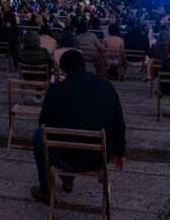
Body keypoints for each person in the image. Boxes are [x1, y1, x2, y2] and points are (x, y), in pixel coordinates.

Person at [30, 50, 126, 203]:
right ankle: (67, 180)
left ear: (63, 69)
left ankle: (46, 190)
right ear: (84, 65)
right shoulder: (106, 87)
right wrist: (120, 153)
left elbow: (43, 123)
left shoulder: (56, 90)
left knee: (38, 136)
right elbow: (119, 123)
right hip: (97, 157)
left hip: (63, 155)